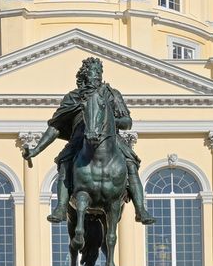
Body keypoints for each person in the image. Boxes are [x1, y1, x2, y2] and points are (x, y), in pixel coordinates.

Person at [20, 56, 155, 225]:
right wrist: (36, 150)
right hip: (80, 138)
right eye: (93, 73)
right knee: (64, 162)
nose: (97, 77)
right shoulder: (73, 97)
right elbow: (55, 127)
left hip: (110, 138)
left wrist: (110, 122)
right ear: (84, 77)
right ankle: (61, 207)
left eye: (99, 73)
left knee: (131, 163)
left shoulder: (112, 94)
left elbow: (127, 122)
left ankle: (140, 209)